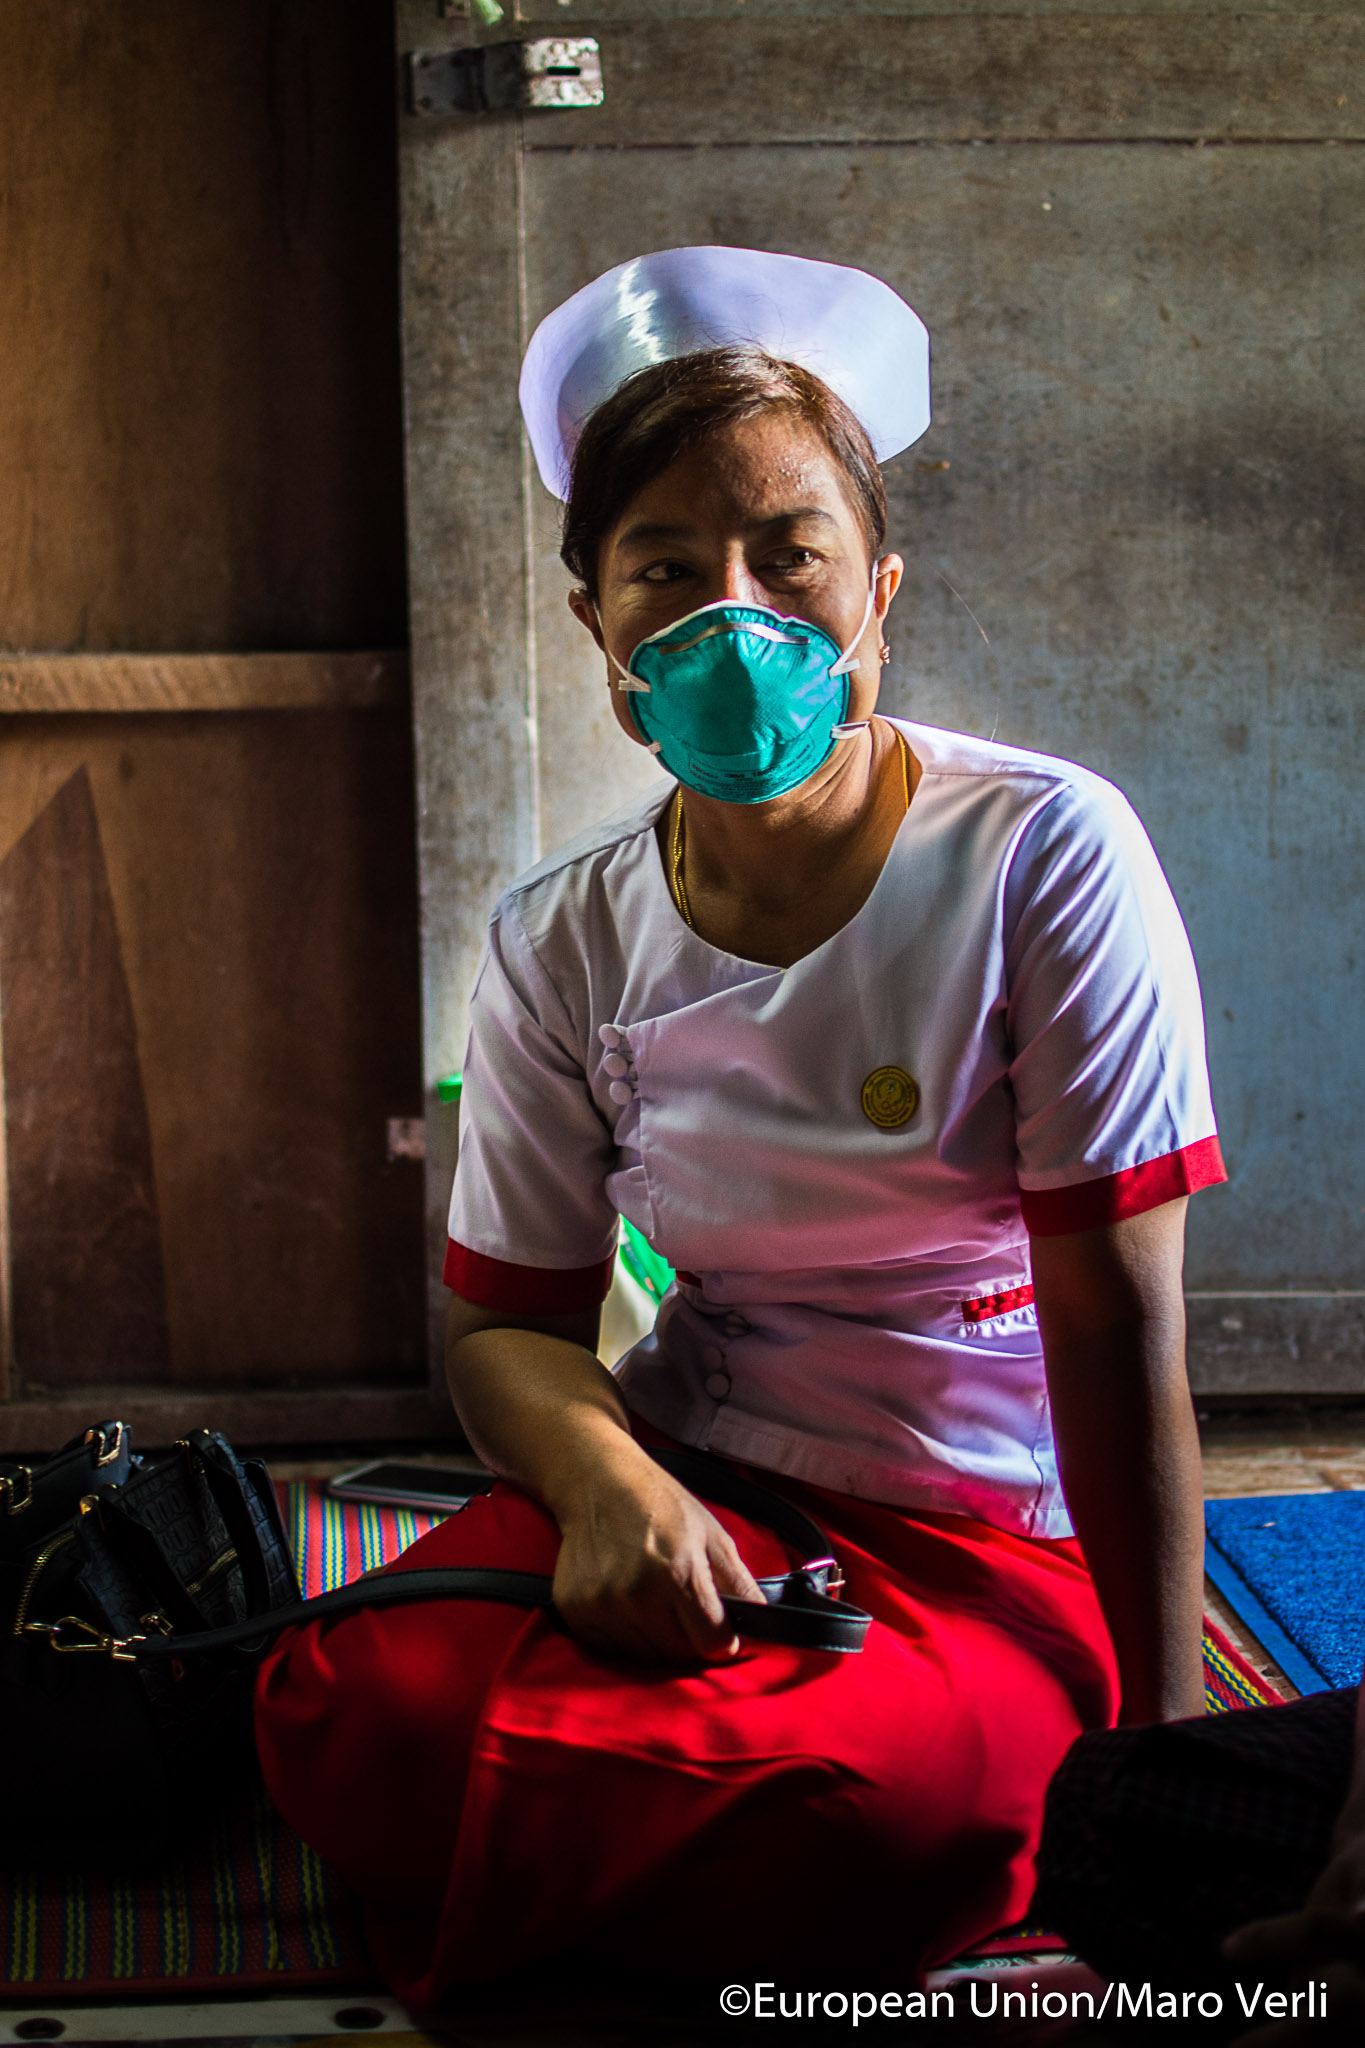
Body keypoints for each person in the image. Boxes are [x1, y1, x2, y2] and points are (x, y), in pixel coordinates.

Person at [253, 246, 1228, 2008]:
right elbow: (507, 1333)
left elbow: (1114, 1325)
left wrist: (1164, 1764)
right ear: (599, 631)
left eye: (787, 556)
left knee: (839, 1817)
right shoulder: (561, 935)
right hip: (705, 1459)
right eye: (664, 570)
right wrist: (610, 1483)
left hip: (983, 1506)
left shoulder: (1042, 853)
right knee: (346, 1706)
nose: (732, 615)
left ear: (877, 596)